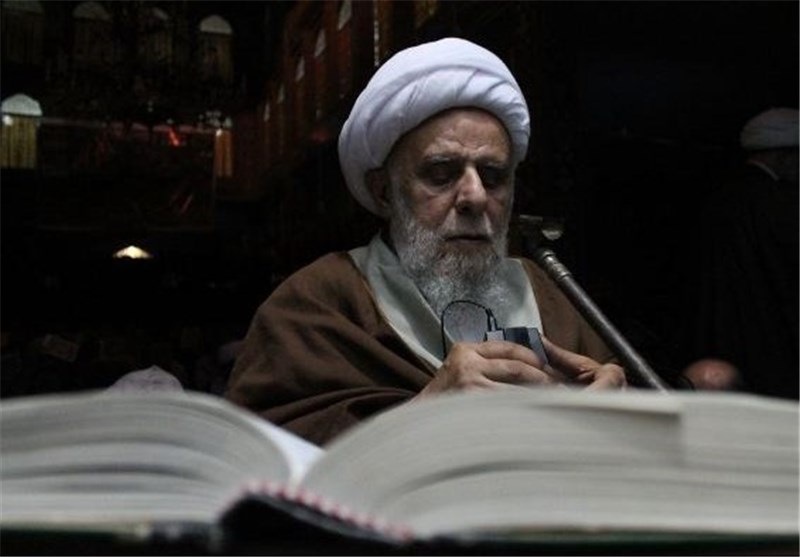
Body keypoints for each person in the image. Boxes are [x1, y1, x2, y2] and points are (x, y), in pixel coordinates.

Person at [225, 38, 625, 445]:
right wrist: (429, 409)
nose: (475, 197)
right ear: (385, 193)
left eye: (493, 177)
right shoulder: (319, 302)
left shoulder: (546, 293)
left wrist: (618, 410)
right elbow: (257, 457)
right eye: (441, 173)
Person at [686, 107, 798, 399]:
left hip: (717, 340)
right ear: (785, 156)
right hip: (774, 343)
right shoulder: (781, 203)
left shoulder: (715, 198)